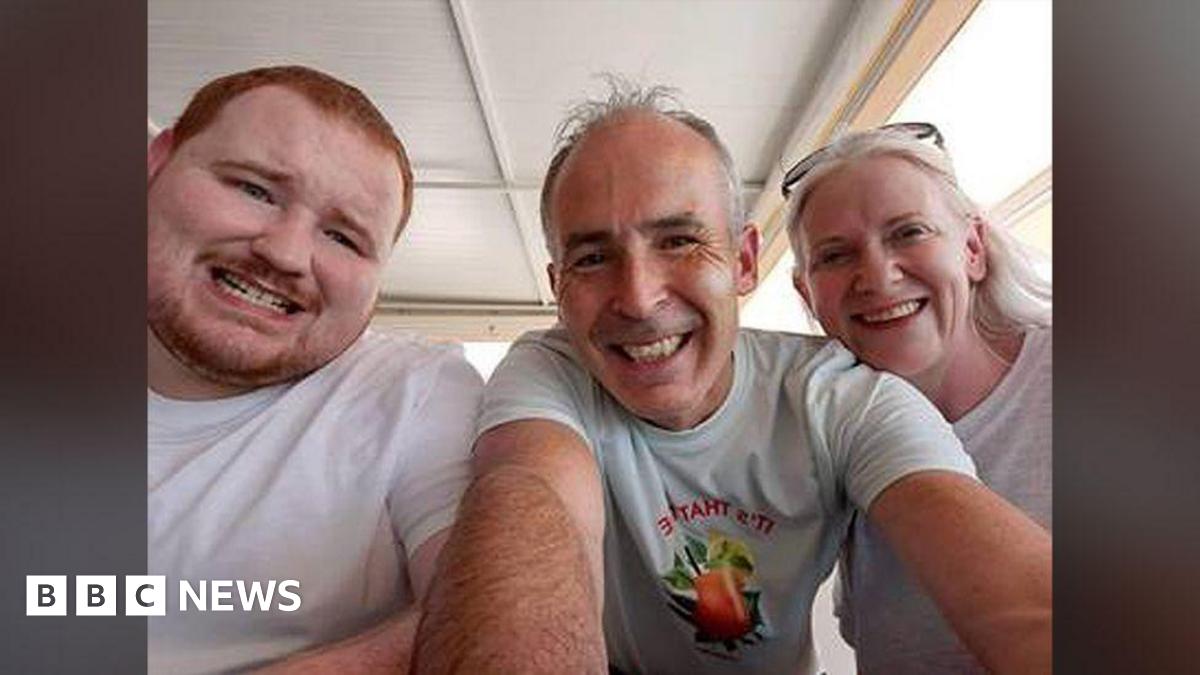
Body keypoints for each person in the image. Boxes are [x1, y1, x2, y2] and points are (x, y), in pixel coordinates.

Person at [413, 83, 1050, 675]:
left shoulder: (842, 396)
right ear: (558, 289)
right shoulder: (548, 372)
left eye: (678, 241)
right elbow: (529, 504)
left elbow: (1022, 600)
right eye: (594, 257)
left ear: (744, 261)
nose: (638, 298)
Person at [147, 65, 482, 674]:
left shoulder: (414, 393)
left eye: (344, 238)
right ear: (156, 162)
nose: (285, 253)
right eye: (254, 190)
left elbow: (488, 616)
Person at [783, 122, 1052, 674]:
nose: (878, 276)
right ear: (806, 293)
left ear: (972, 249)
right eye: (834, 255)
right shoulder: (826, 446)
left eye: (908, 233)